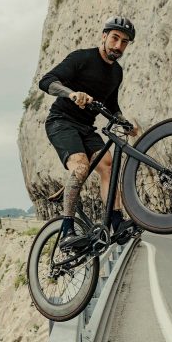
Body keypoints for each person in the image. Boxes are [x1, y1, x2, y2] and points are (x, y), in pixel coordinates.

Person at [38, 15, 138, 249]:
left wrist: (126, 124)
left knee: (109, 165)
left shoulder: (117, 73)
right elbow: (47, 81)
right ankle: (66, 231)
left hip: (86, 127)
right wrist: (71, 93)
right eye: (114, 38)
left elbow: (112, 106)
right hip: (61, 122)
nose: (118, 46)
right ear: (104, 36)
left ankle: (116, 222)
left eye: (124, 42)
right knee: (81, 166)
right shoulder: (82, 58)